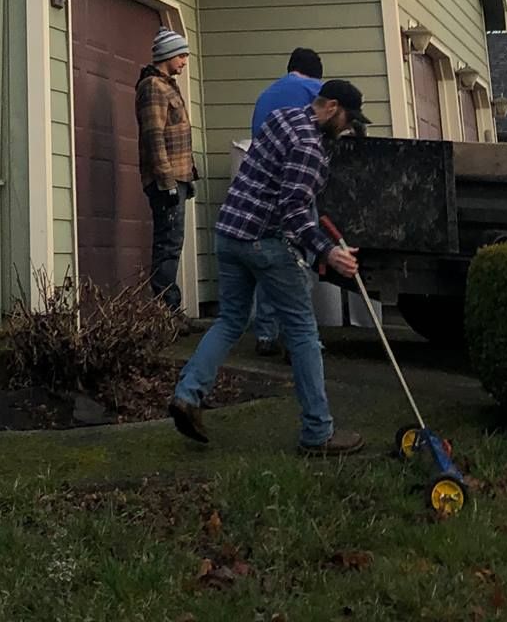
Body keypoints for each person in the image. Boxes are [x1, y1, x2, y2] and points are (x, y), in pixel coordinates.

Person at [167, 80, 369, 456]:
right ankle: (318, 433)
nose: (347, 129)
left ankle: (187, 394)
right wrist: (328, 253)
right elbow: (294, 211)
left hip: (229, 234)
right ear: (331, 107)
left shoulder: (281, 118)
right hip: (263, 241)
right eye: (346, 120)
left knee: (229, 321)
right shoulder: (310, 146)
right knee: (303, 332)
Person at [248, 48, 324, 355]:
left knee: (270, 259)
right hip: (297, 186)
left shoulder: (265, 95)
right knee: (299, 261)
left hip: (262, 192)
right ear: (313, 74)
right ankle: (299, 339)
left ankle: (266, 334)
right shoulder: (315, 91)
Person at [135, 25, 198, 311]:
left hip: (179, 176)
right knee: (168, 245)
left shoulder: (168, 85)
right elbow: (154, 136)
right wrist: (168, 182)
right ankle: (166, 311)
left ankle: (169, 308)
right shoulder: (153, 88)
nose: (185, 61)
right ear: (168, 55)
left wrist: (188, 176)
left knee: (173, 243)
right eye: (181, 55)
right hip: (166, 180)